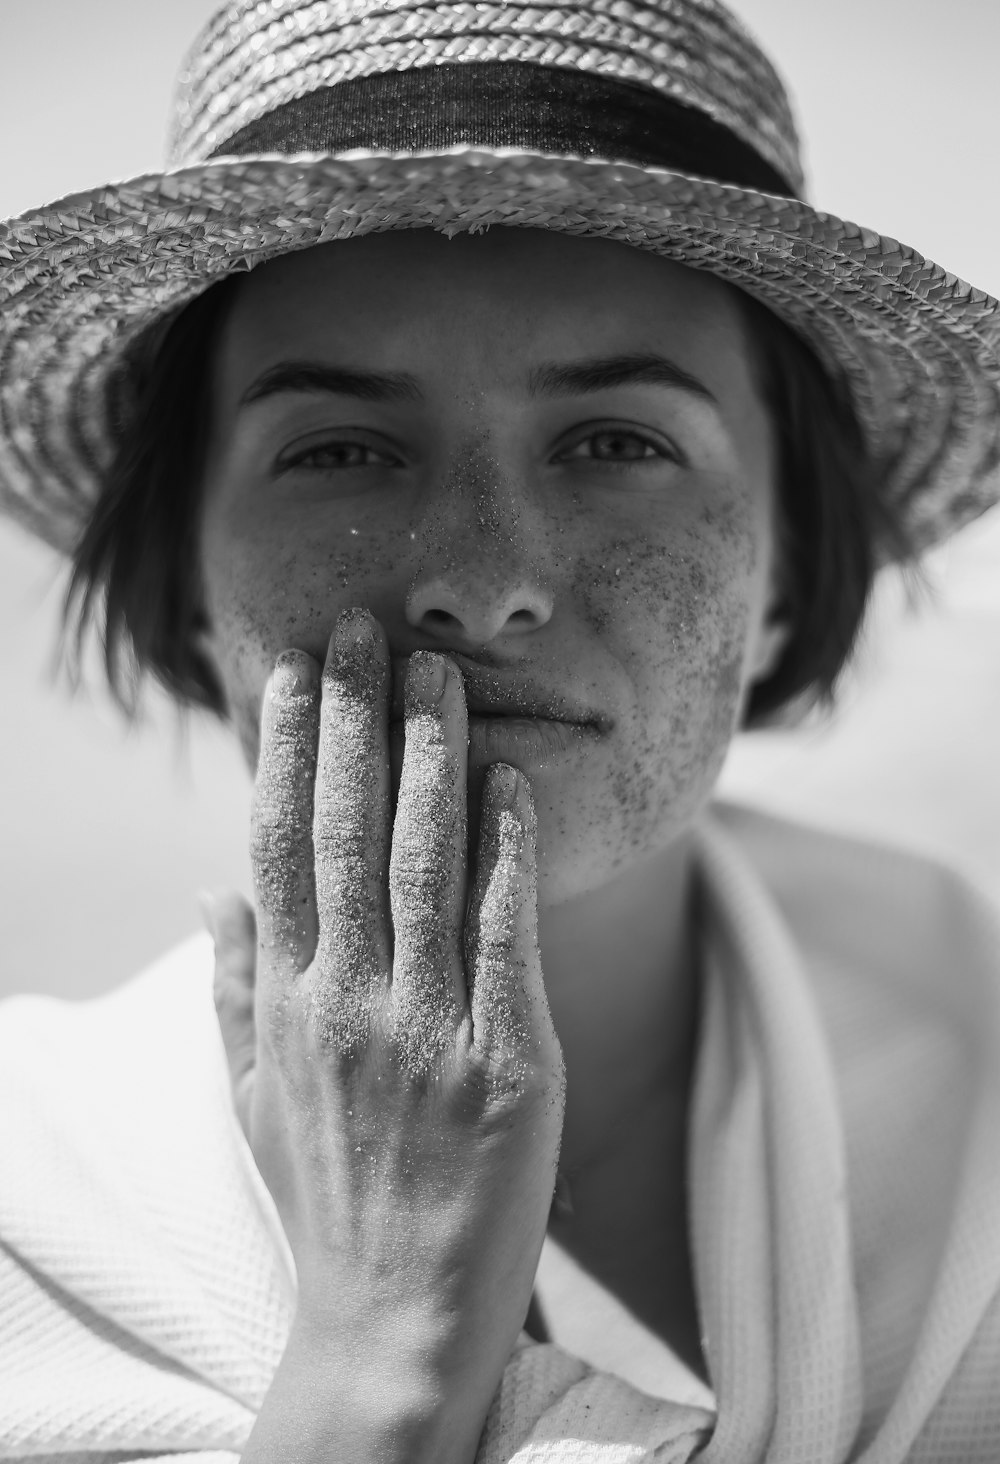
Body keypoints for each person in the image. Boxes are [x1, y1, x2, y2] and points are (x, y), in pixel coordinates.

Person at [1, 1, 999, 1460]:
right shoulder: (41, 1197)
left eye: (617, 445)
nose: (485, 582)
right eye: (342, 449)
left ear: (790, 571)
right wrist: (381, 1335)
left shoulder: (978, 1070)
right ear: (176, 585)